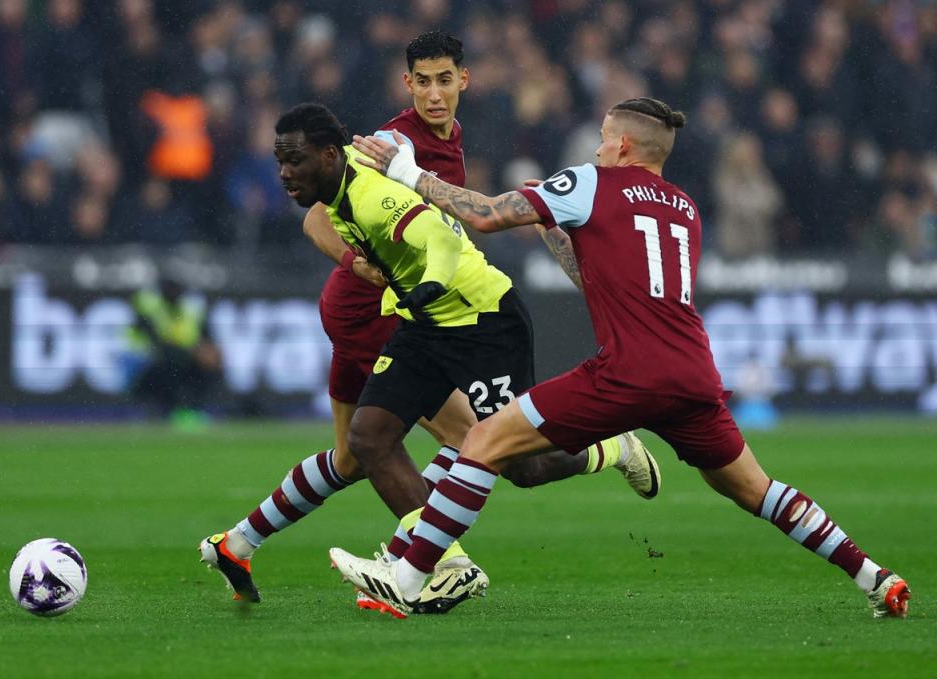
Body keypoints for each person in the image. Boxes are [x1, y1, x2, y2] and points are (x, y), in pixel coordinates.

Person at [330, 97, 911, 620]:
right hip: (692, 376)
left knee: (480, 443)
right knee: (757, 490)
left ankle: (408, 579)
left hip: (628, 373)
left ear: (623, 145)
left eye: (604, 138)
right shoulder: (684, 208)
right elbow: (601, 279)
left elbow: (483, 215)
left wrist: (406, 172)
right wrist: (552, 227)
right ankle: (873, 577)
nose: (598, 147)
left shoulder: (593, 181)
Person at [200, 33, 660, 613]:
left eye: (446, 80)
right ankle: (435, 565)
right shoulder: (391, 147)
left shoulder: (449, 141)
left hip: (415, 312)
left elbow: (454, 226)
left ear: (464, 79)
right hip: (383, 316)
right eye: (424, 82)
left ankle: (240, 543)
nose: (436, 94)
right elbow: (317, 219)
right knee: (469, 444)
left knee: (358, 453)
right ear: (408, 84)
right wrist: (356, 264)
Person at [124, 276, 221, 429]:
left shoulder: (189, 311)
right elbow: (157, 345)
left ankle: (192, 410)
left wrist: (208, 352)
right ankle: (173, 410)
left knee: (209, 363)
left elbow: (207, 339)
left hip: (179, 360)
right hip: (142, 366)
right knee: (171, 363)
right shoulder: (149, 310)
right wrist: (191, 352)